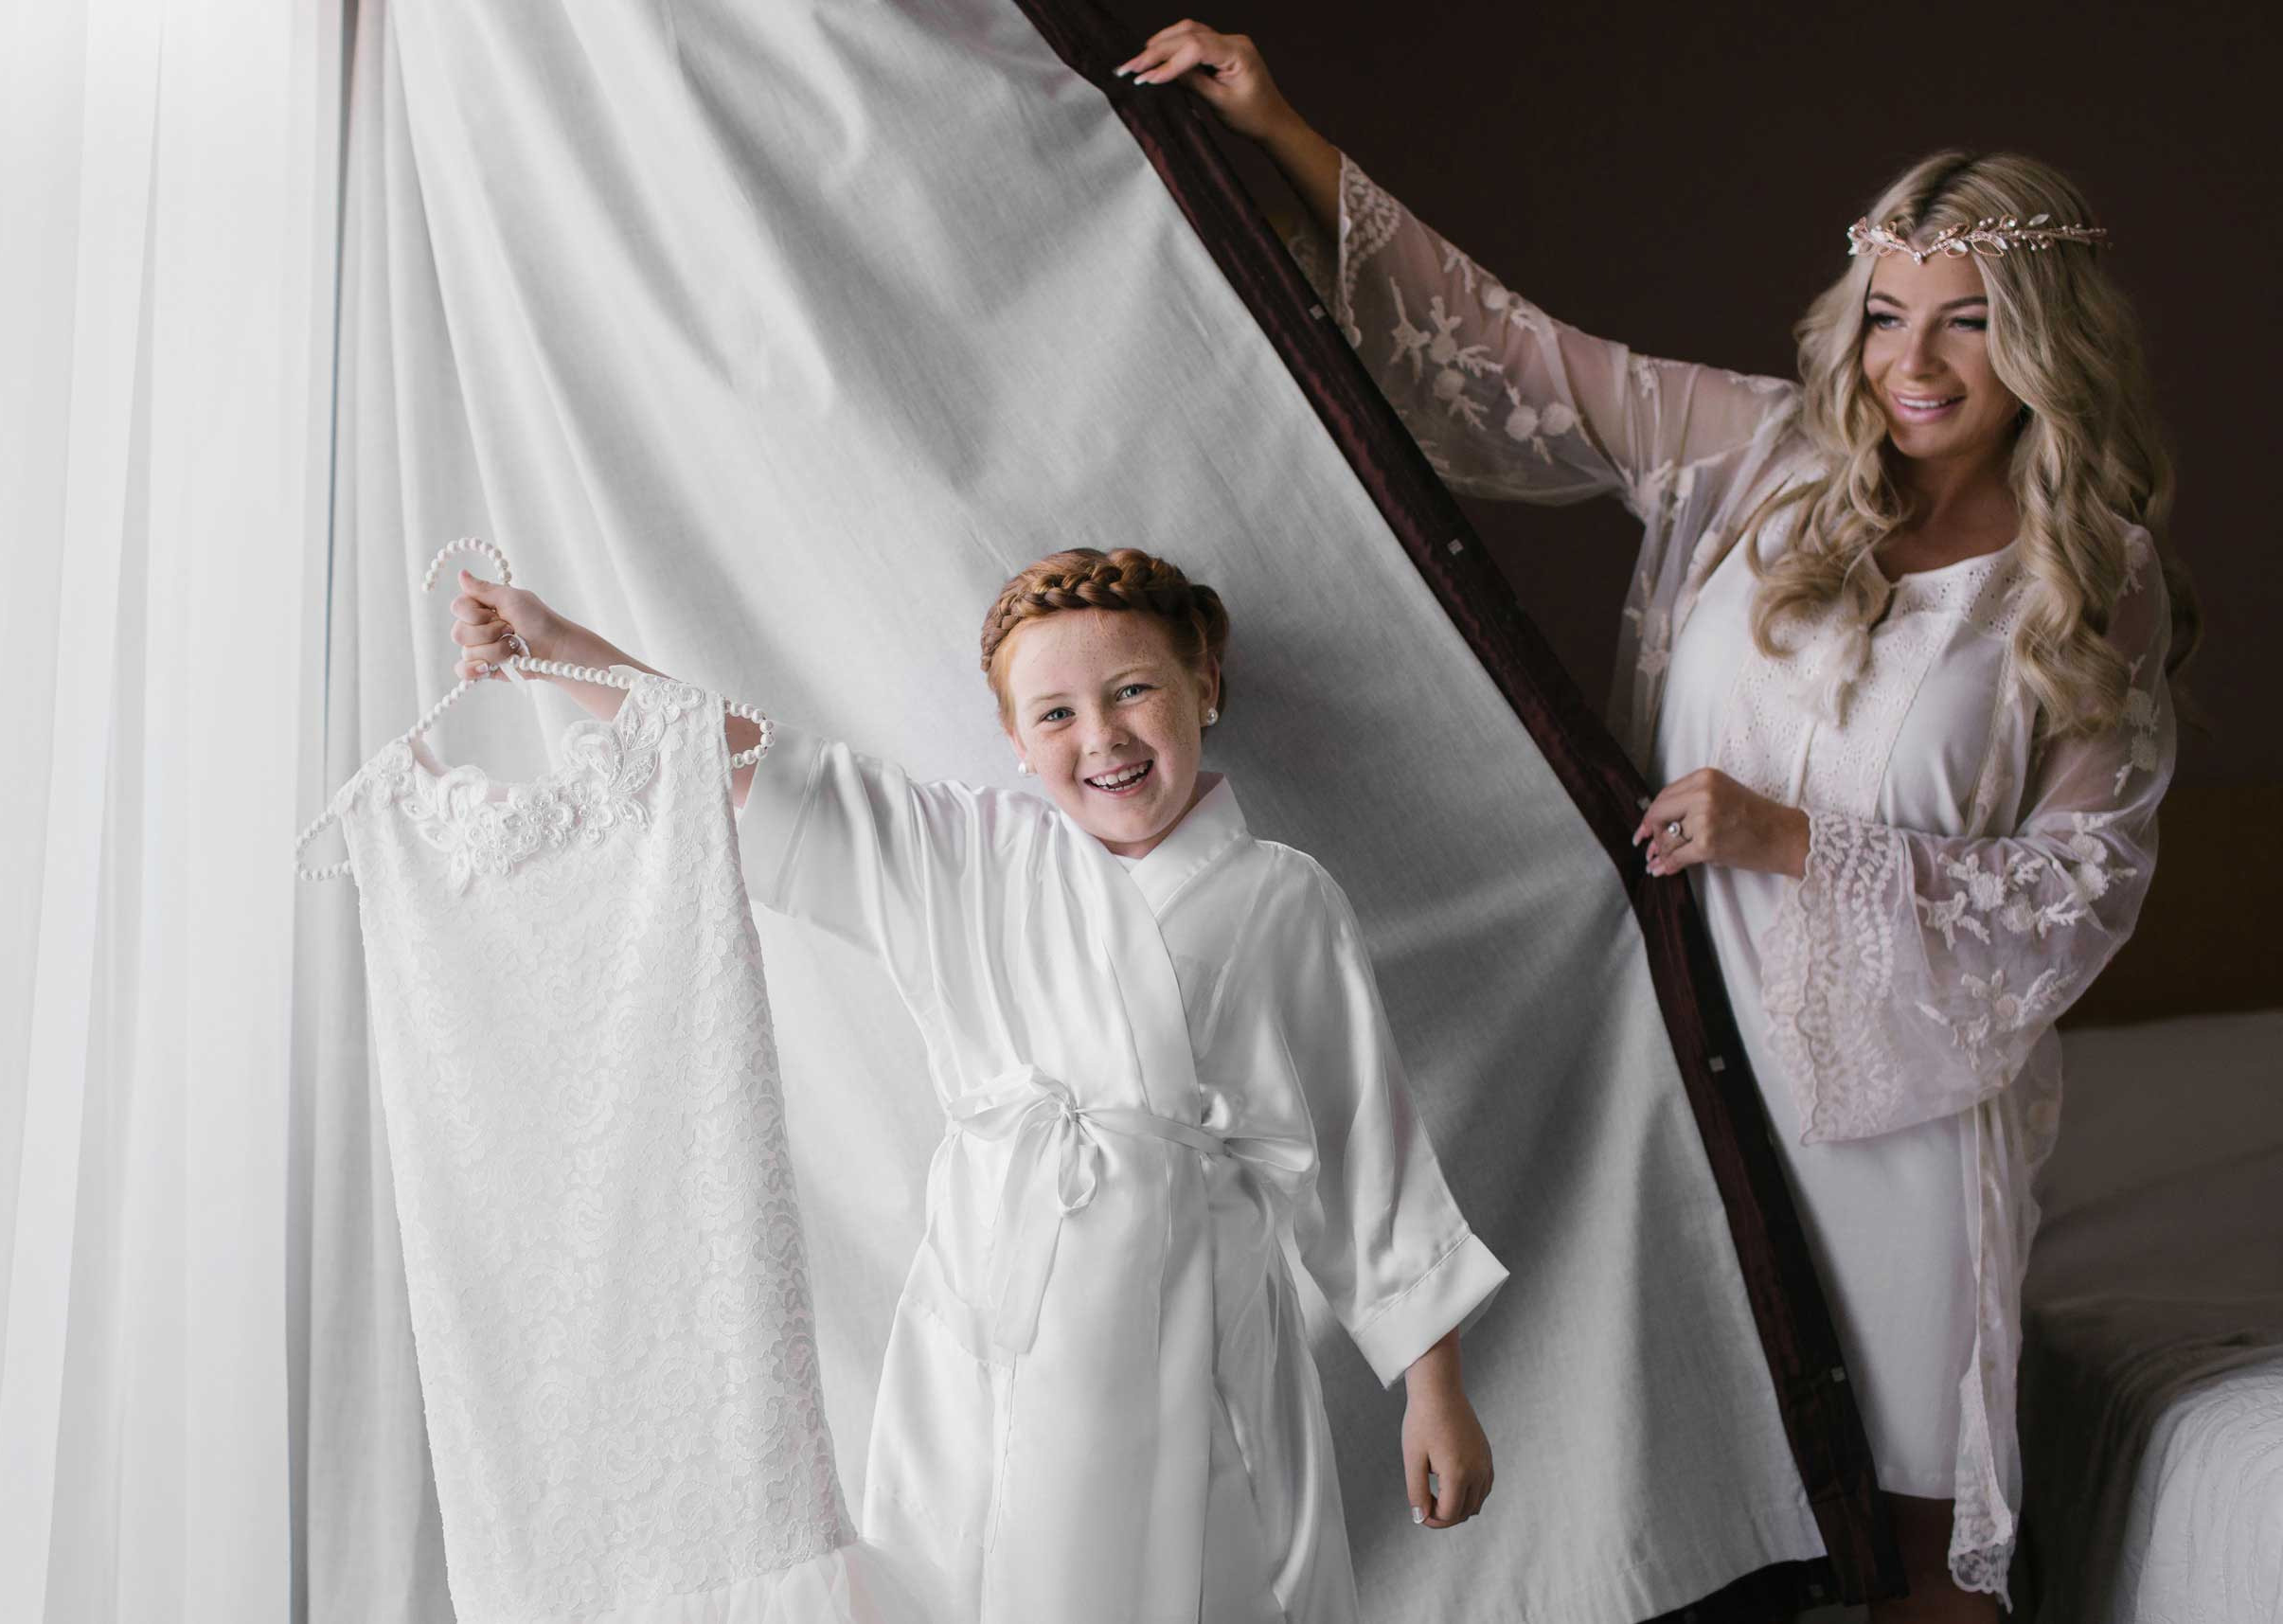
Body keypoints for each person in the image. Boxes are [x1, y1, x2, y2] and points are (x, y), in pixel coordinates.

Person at [1116, 20, 2191, 1620]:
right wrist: (1277, 127)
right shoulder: (1758, 455)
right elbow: (1498, 352)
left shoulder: (2088, 579)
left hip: (1901, 1114)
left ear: (2047, 345)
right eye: (1889, 314)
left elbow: (2085, 883)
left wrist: (1797, 845)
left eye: (1969, 325)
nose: (1914, 361)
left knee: (1916, 1557)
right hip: (1683, 1064)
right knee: (1708, 1523)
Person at [439, 546, 1511, 1622]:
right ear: (1013, 740)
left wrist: (1434, 1387)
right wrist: (557, 648)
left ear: (1206, 686)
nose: (1101, 736)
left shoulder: (1284, 897)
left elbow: (1365, 1139)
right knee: (978, 1561)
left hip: (1203, 1326)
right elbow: (763, 763)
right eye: (1054, 713)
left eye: (1133, 689)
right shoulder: (967, 856)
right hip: (996, 1315)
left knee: (1207, 1574)